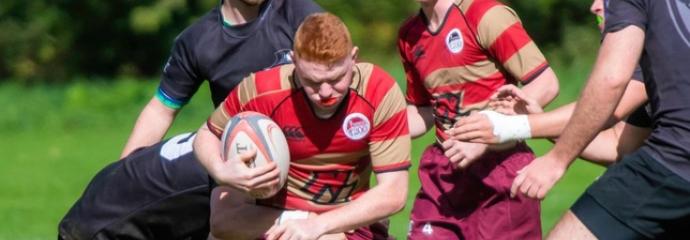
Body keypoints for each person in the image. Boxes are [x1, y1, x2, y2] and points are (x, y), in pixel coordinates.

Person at [193, 13, 411, 240]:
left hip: (342, 222)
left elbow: (394, 192)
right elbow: (208, 133)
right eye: (313, 82)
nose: (325, 92)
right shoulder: (261, 90)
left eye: (337, 79)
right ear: (293, 61)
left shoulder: (378, 91)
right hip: (272, 213)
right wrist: (221, 170)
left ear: (353, 57)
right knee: (222, 221)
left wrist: (317, 226)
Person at [508, 0, 690, 238]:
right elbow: (621, 144)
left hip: (676, 161)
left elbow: (612, 83)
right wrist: (547, 126)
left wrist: (553, 157)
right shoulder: (662, 63)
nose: (595, 7)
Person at [397, 0, 559, 238]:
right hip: (445, 173)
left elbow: (545, 83)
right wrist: (373, 127)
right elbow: (423, 110)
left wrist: (484, 138)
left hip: (500, 169)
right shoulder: (409, 35)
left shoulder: (486, 15)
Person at [446, 0, 650, 164]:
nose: (594, 7)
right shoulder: (645, 58)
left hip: (677, 179)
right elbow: (617, 147)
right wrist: (540, 120)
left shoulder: (657, 60)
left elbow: (603, 101)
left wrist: (506, 127)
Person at [120, 0, 322, 158]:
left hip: (311, 155)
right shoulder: (197, 41)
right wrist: (120, 176)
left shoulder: (301, 13)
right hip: (240, 164)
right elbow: (161, 110)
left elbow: (343, 78)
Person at [59, 132, 211, 239]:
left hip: (99, 205)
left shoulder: (222, 135)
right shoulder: (231, 166)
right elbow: (222, 228)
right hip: (104, 227)